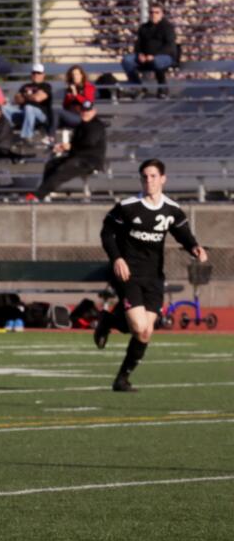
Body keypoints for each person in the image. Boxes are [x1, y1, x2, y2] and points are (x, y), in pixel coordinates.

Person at [95, 159, 206, 392]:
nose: (149, 181)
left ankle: (122, 377)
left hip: (154, 277)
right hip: (128, 275)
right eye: (145, 176)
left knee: (145, 331)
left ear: (163, 179)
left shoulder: (171, 209)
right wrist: (117, 258)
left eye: (153, 176)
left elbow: (182, 234)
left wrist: (195, 248)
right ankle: (110, 321)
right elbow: (106, 233)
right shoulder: (127, 206)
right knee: (137, 325)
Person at [31, 100, 106, 201]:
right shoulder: (81, 125)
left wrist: (70, 146)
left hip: (90, 160)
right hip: (77, 157)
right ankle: (45, 194)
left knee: (64, 168)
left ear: (94, 111)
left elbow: (89, 142)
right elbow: (76, 144)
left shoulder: (96, 125)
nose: (85, 113)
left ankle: (37, 196)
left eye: (88, 111)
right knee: (51, 164)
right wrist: (63, 147)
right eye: (83, 111)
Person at [123, 4, 176, 99]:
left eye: (157, 12)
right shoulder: (144, 27)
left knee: (156, 61)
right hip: (145, 56)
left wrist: (154, 55)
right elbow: (138, 44)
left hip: (164, 56)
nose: (153, 14)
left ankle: (162, 87)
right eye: (151, 12)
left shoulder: (167, 27)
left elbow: (169, 46)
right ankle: (138, 87)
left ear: (162, 14)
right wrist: (140, 54)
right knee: (127, 60)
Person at [4, 64, 54, 142]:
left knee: (29, 107)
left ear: (43, 75)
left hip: (40, 116)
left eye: (38, 73)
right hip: (24, 114)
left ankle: (26, 137)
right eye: (34, 73)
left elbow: (38, 98)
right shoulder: (25, 86)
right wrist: (31, 96)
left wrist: (25, 96)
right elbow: (17, 99)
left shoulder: (46, 86)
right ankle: (6, 132)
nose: (36, 75)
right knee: (4, 107)